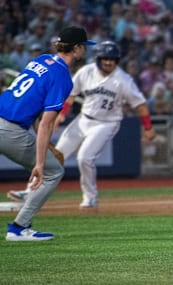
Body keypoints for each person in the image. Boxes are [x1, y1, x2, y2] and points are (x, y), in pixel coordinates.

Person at [7, 41, 156, 208]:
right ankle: (30, 192)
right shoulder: (86, 71)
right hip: (83, 119)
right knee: (55, 154)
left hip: (107, 123)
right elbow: (71, 94)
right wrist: (61, 114)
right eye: (105, 58)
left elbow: (140, 105)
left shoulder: (123, 80)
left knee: (85, 157)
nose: (108, 62)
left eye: (112, 59)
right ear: (98, 58)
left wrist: (148, 127)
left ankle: (90, 197)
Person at [1, 26, 95, 241]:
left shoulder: (41, 60)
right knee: (53, 172)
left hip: (7, 120)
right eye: (84, 47)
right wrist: (40, 164)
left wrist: (48, 147)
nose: (85, 51)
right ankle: (19, 228)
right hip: (10, 131)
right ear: (77, 48)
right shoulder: (63, 77)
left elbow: (33, 109)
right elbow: (45, 124)